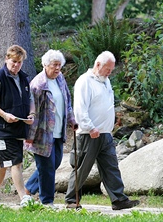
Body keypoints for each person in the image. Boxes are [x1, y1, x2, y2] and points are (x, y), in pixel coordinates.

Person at [64, 51, 140, 210]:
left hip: (105, 133)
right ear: (98, 64)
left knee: (111, 166)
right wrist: (89, 127)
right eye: (108, 69)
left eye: (111, 69)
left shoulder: (105, 81)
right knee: (82, 167)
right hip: (88, 133)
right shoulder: (84, 81)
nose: (110, 72)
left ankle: (119, 199)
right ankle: (72, 199)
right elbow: (80, 109)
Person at [24, 49, 77, 208]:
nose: (57, 69)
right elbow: (32, 112)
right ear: (45, 65)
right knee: (46, 167)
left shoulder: (60, 79)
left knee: (55, 162)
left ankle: (28, 188)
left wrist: (72, 119)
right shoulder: (38, 85)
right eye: (54, 65)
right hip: (42, 133)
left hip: (58, 130)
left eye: (59, 65)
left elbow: (67, 100)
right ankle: (47, 201)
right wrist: (29, 136)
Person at [0, 45, 35, 206]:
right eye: (13, 62)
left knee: (2, 163)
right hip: (2, 130)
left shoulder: (24, 78)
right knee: (15, 162)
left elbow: (31, 100)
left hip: (18, 128)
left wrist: (31, 115)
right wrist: (5, 115)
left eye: (19, 62)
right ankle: (23, 197)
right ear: (6, 59)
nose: (16, 65)